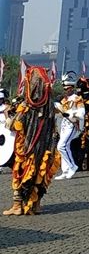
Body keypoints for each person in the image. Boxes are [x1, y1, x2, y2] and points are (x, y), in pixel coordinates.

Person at [5, 67, 61, 216]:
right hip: (45, 148)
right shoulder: (49, 106)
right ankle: (35, 205)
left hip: (27, 148)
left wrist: (9, 115)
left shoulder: (26, 106)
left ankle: (17, 205)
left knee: (21, 171)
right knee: (40, 173)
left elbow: (12, 126)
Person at [53, 74, 85, 180]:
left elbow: (81, 113)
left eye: (67, 88)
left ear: (71, 88)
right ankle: (65, 170)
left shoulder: (77, 99)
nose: (65, 90)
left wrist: (71, 113)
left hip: (72, 125)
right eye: (64, 88)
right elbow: (59, 113)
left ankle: (72, 166)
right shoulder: (63, 100)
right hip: (63, 125)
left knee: (61, 146)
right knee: (65, 147)